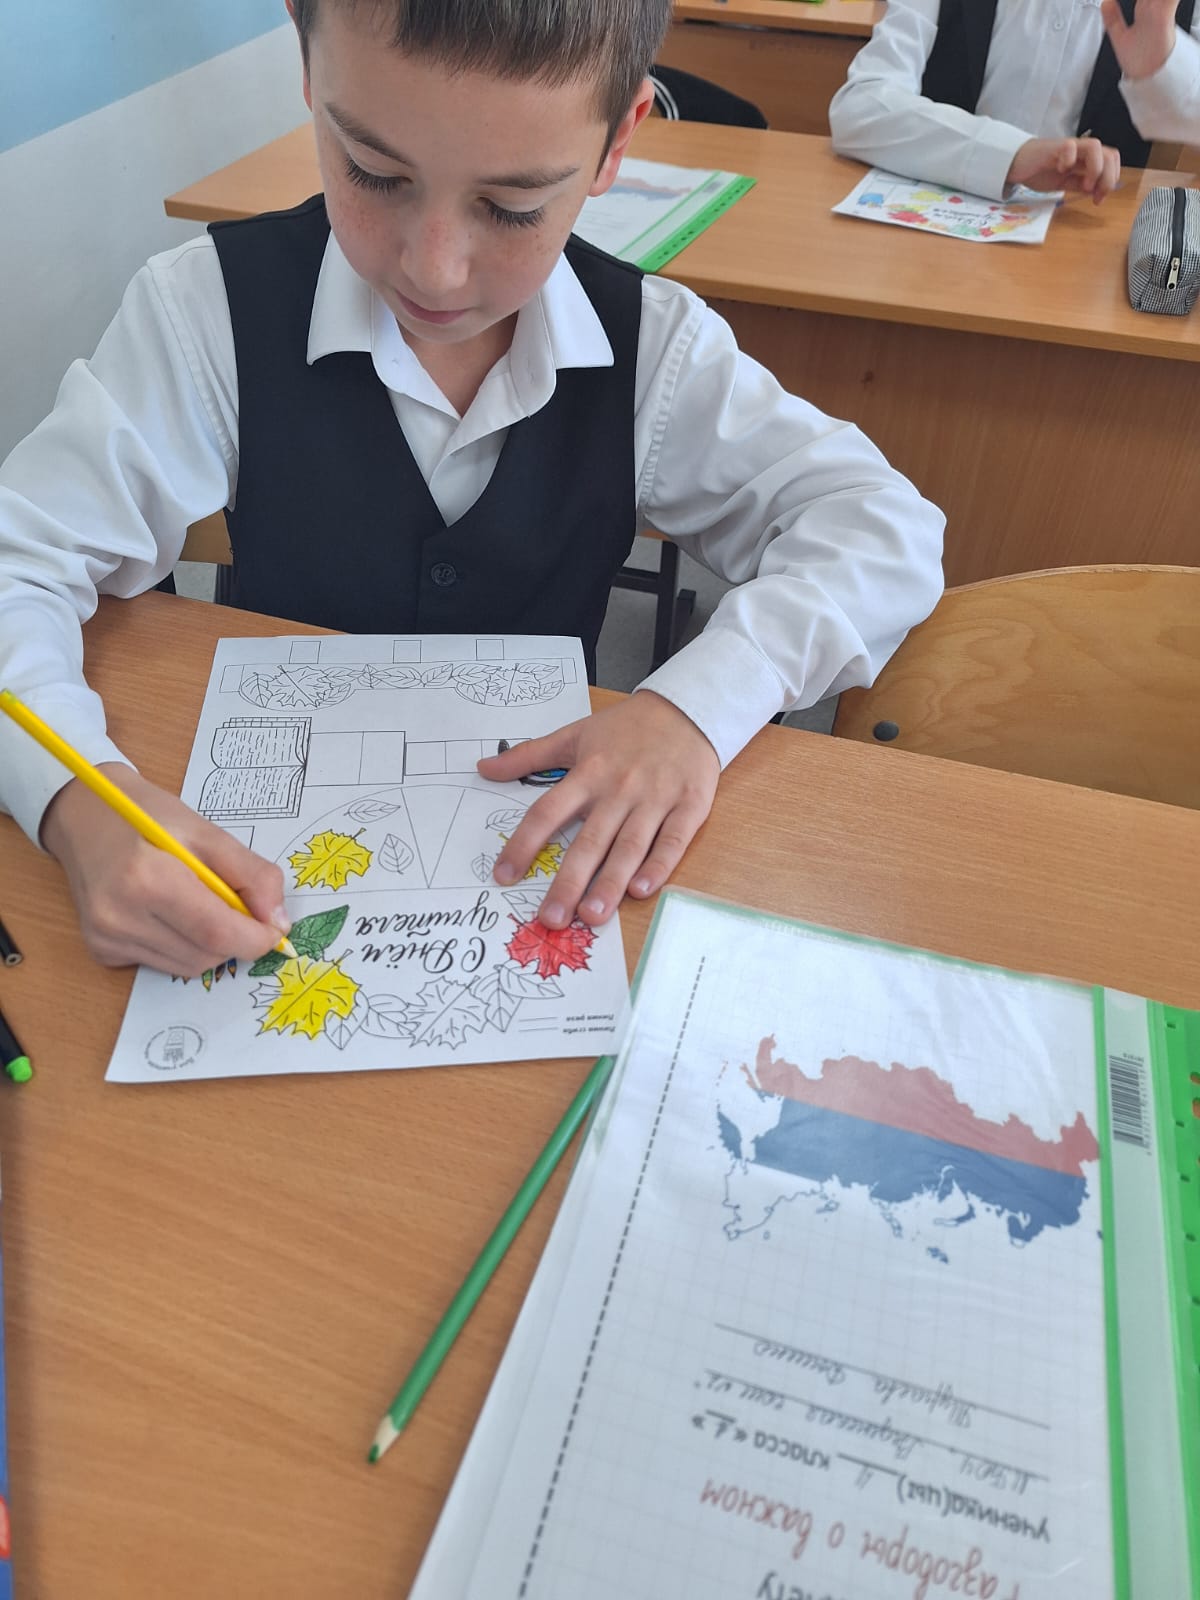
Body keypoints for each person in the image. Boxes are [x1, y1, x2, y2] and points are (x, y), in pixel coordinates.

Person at [0, 0, 943, 979]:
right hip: (277, 862)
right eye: (374, 174)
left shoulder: (655, 352)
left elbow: (882, 528)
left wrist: (695, 709)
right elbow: (17, 560)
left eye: (513, 206)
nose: (436, 269)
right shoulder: (206, 312)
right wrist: (77, 798)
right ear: (309, 67)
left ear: (619, 140)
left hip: (526, 890)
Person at [830, 0, 1200, 204]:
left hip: (1086, 252)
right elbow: (860, 106)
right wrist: (1012, 155)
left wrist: (1170, 69)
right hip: (930, 228)